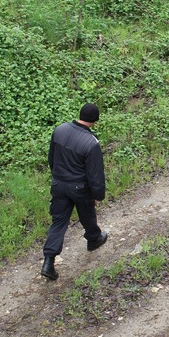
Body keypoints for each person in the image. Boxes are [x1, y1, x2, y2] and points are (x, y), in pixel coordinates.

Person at [41, 103, 108, 280]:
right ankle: (94, 239)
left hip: (59, 184)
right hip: (80, 188)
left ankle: (49, 261)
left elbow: (51, 158)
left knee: (58, 222)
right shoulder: (91, 143)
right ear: (95, 121)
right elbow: (95, 174)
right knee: (87, 213)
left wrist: (58, 177)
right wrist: (98, 195)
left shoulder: (60, 130)